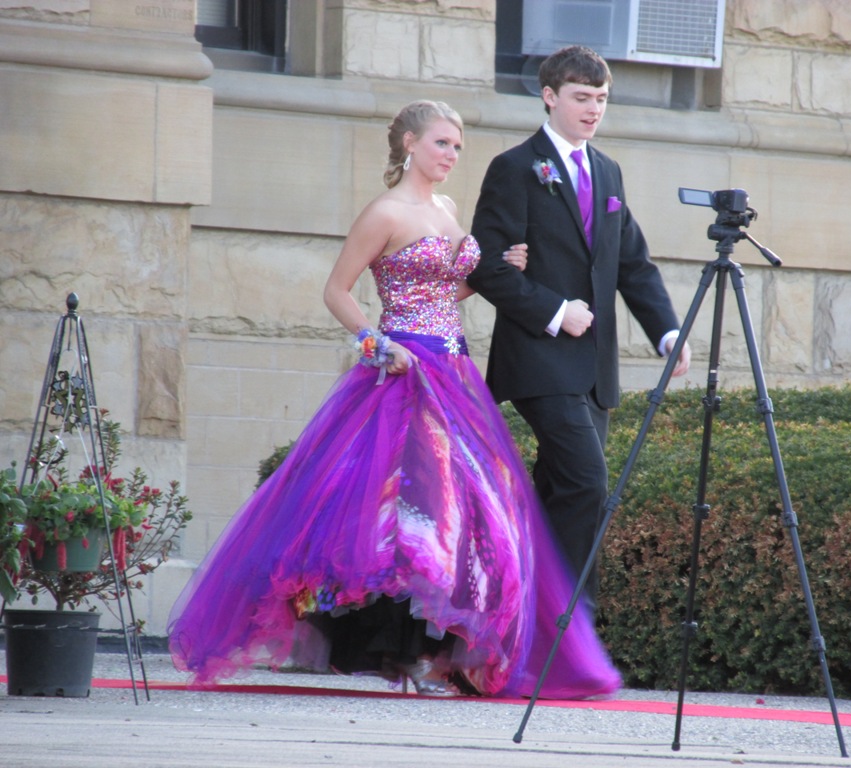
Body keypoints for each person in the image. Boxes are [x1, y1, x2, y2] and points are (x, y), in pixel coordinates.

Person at [167, 100, 620, 700]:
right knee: (406, 511)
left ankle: (441, 651)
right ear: (409, 143)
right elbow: (337, 290)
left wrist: (497, 270)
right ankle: (406, 649)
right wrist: (375, 344)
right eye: (441, 143)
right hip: (403, 371)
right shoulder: (384, 212)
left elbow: (447, 291)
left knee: (467, 511)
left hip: (453, 371)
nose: (451, 155)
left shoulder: (448, 209)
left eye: (457, 146)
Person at [469, 46, 692, 606]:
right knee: (588, 483)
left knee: (559, 493)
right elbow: (486, 266)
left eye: (602, 98)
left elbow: (632, 263)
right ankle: (572, 626)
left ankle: (517, 615)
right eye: (581, 97)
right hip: (538, 359)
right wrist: (554, 311)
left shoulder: (608, 171)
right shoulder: (515, 167)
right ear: (549, 96)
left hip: (594, 369)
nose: (594, 109)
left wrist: (667, 332)